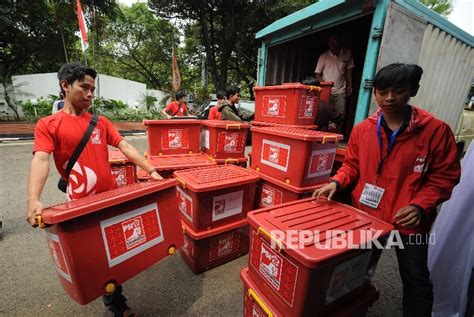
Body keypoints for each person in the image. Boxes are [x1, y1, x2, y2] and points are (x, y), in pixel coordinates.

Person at [313, 63, 460, 317]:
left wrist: (420, 206)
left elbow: (444, 176)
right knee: (356, 269)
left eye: (398, 90)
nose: (389, 98)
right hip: (367, 215)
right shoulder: (363, 130)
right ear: (375, 93)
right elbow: (352, 165)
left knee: (415, 279)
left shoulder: (435, 131)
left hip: (409, 220)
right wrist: (335, 182)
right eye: (383, 92)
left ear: (413, 90)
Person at [26, 62, 163, 316]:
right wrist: (33, 199)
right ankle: (116, 305)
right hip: (81, 204)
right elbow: (41, 159)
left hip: (110, 197)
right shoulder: (49, 124)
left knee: (118, 246)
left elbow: (125, 147)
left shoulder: (100, 122)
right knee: (98, 257)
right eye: (84, 88)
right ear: (65, 86)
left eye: (93, 89)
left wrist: (151, 170)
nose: (90, 94)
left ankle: (114, 293)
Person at [315, 33, 354, 129]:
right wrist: (325, 86)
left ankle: (337, 137)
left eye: (334, 41)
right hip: (326, 91)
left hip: (341, 90)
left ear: (339, 41)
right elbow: (317, 74)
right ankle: (324, 136)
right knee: (325, 114)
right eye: (329, 42)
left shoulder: (347, 53)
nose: (331, 44)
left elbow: (349, 70)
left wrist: (350, 85)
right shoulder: (323, 56)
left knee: (340, 115)